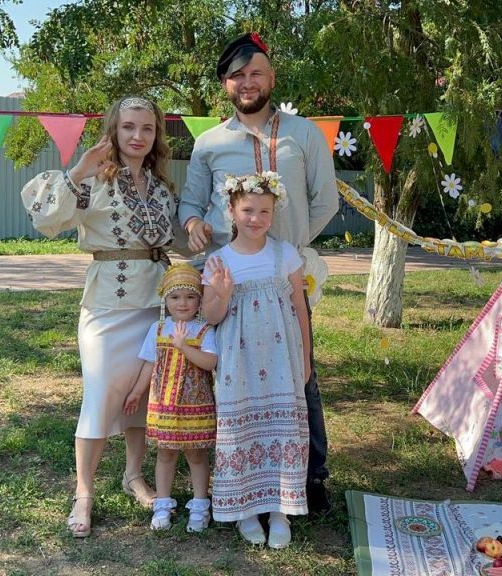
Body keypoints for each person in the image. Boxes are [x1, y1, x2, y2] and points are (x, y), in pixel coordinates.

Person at [178, 32, 339, 515]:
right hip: (227, 281)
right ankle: (233, 475)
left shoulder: (304, 134)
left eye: (256, 73)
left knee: (299, 372)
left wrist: (286, 244)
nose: (247, 82)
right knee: (230, 373)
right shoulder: (209, 143)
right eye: (237, 75)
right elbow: (190, 203)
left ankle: (309, 477)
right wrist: (194, 224)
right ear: (225, 84)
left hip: (284, 277)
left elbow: (325, 201)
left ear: (272, 78)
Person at [20, 96, 182, 537]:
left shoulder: (162, 186)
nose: (137, 136)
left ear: (156, 135)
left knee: (142, 397)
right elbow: (45, 221)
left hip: (154, 303)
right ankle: (84, 492)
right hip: (107, 304)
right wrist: (77, 171)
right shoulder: (92, 179)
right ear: (114, 129)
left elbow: (177, 237)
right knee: (100, 394)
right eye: (129, 127)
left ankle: (133, 475)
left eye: (147, 128)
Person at [201, 172, 310, 548]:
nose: (256, 218)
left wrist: (305, 358)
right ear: (231, 211)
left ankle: (280, 511)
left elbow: (299, 308)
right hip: (239, 362)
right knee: (241, 430)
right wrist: (222, 293)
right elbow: (211, 317)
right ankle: (245, 510)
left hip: (282, 359)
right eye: (247, 210)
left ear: (273, 214)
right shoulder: (219, 260)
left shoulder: (285, 255)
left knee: (282, 427)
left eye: (265, 211)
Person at [124, 263, 218, 532]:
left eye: (190, 297)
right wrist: (136, 392)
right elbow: (148, 363)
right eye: (175, 297)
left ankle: (200, 505)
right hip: (163, 404)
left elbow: (210, 362)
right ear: (165, 299)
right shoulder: (158, 328)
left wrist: (183, 347)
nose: (182, 303)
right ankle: (162, 504)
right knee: (165, 454)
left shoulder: (204, 330)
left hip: (196, 405)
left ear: (199, 300)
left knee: (197, 455)